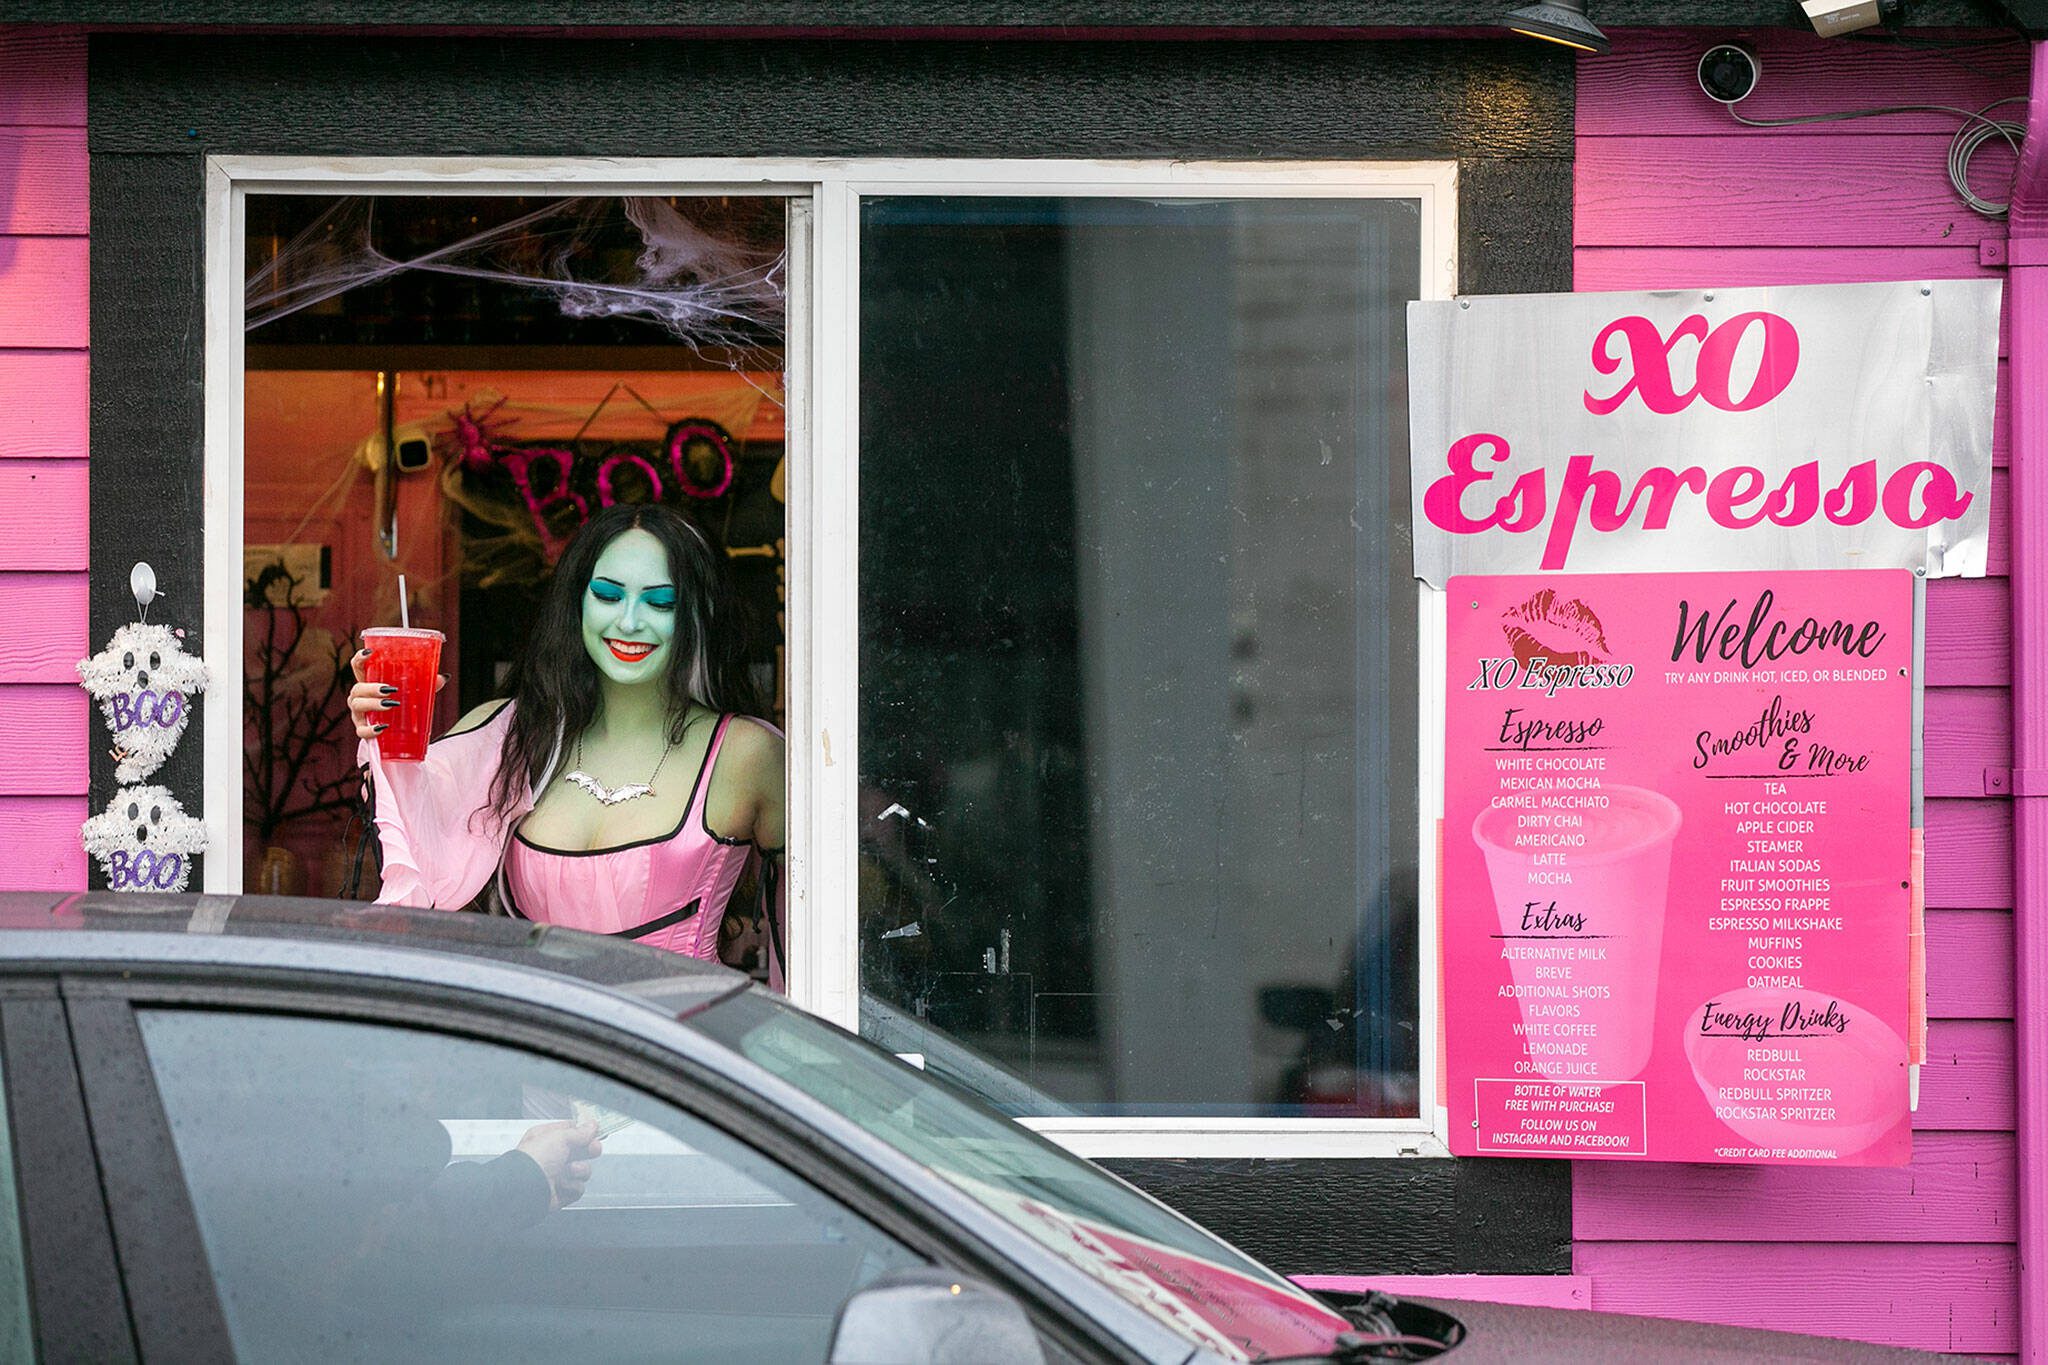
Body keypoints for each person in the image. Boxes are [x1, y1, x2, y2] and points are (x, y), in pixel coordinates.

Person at [348, 503, 785, 978]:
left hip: (678, 1046)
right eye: (607, 595)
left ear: (699, 613)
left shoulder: (745, 754)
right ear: (577, 601)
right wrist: (383, 729)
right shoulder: (510, 737)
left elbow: (806, 955)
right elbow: (413, 833)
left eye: (661, 602)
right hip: (539, 1042)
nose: (629, 622)